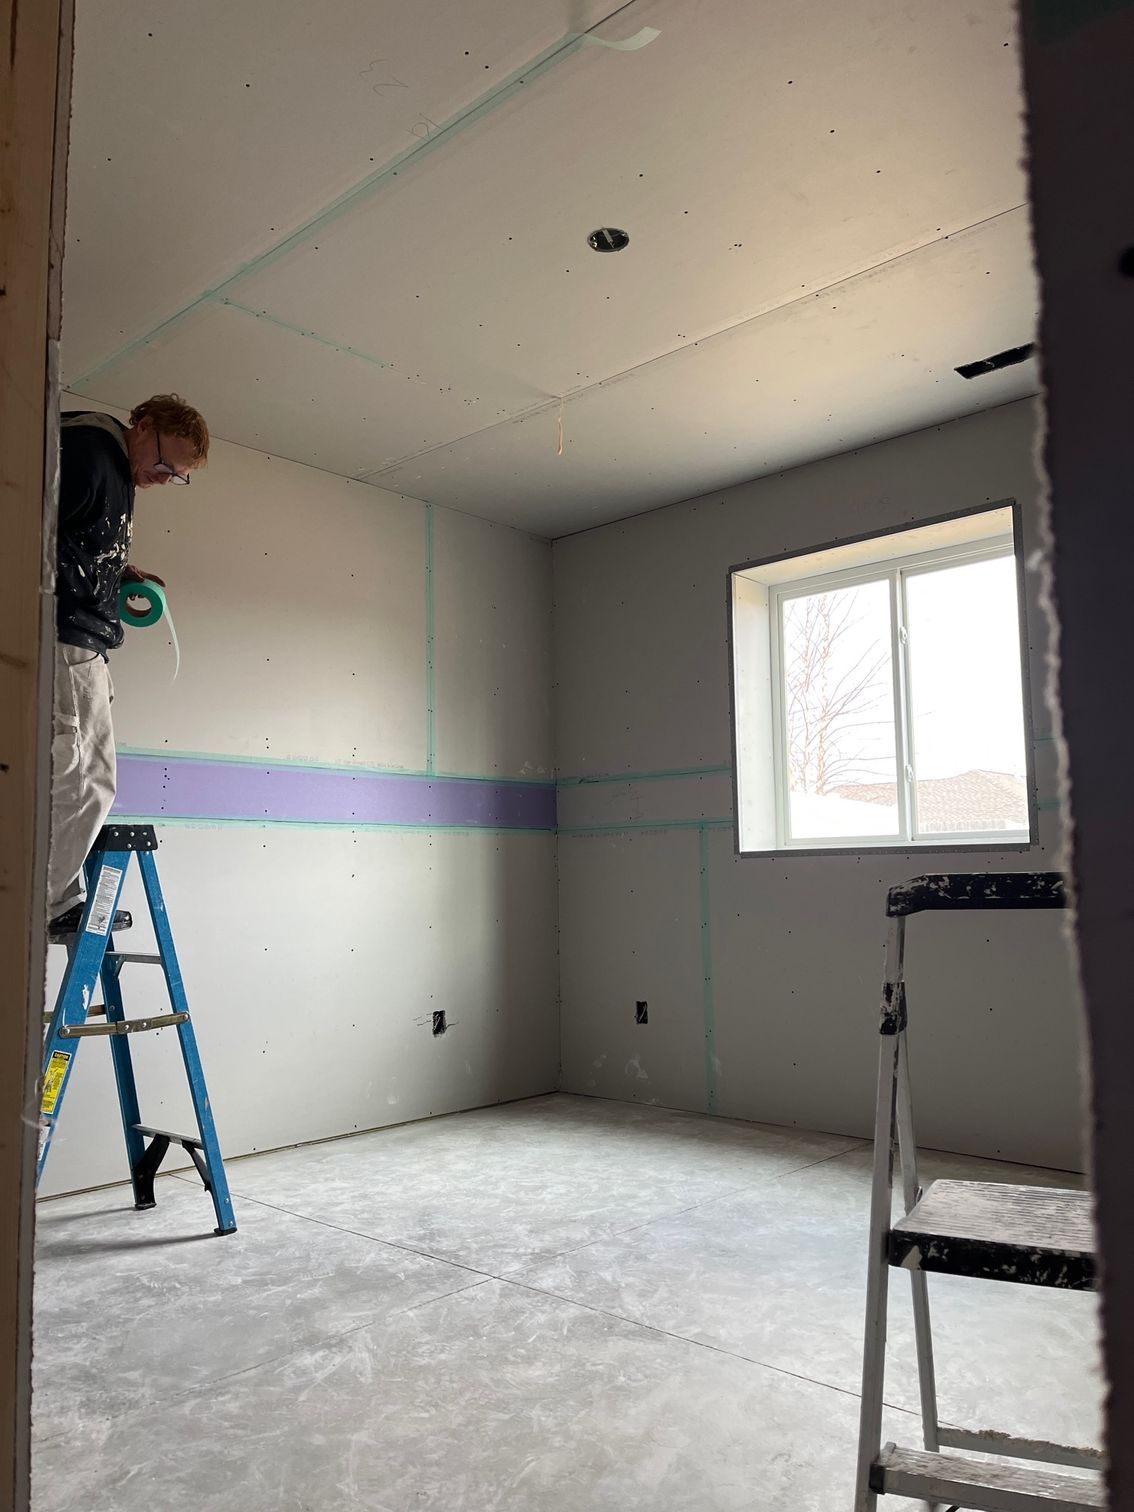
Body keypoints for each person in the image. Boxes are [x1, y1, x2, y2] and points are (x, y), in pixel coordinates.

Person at [47, 394, 209, 937]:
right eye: (165, 465)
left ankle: (52, 898)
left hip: (80, 643)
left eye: (177, 477)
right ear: (142, 427)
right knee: (84, 782)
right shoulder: (92, 452)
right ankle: (47, 904)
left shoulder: (112, 465)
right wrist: (96, 583)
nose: (164, 479)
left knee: (86, 780)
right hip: (66, 642)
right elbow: (39, 538)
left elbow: (77, 541)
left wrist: (120, 570)